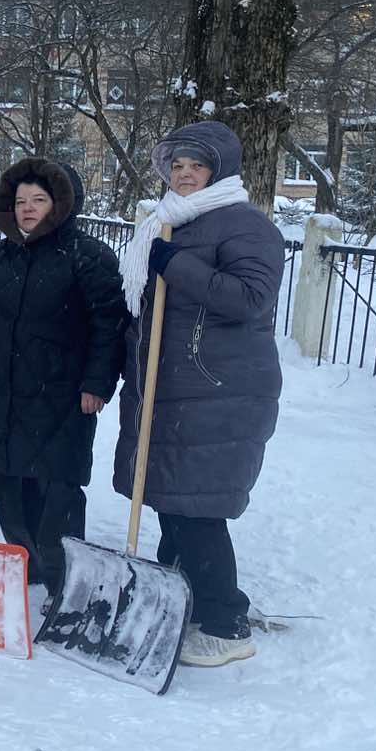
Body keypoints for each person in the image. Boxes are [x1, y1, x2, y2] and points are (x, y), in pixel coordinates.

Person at [115, 120, 283, 668]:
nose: (184, 175)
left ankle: (226, 624)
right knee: (172, 501)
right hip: (171, 390)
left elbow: (250, 298)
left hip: (218, 390)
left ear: (221, 171)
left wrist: (178, 267)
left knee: (199, 511)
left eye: (197, 166)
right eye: (177, 166)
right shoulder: (169, 223)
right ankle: (182, 599)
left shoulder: (244, 226)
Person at [0, 158, 127, 596]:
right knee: (8, 483)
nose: (28, 208)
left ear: (61, 204)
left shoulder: (89, 257)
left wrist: (97, 383)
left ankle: (65, 577)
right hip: (1, 392)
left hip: (62, 395)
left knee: (57, 491)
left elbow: (109, 324)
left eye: (39, 200)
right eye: (21, 201)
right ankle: (25, 561)